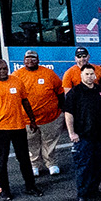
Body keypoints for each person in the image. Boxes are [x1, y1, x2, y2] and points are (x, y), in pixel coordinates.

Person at [0, 58, 38, 198]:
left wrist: (32, 120)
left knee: (24, 158)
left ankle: (30, 186)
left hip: (18, 126)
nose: (2, 71)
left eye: (4, 68)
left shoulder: (17, 82)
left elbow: (25, 101)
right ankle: (5, 190)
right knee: (2, 160)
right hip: (0, 129)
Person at [11, 50, 65, 178]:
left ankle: (51, 163)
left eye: (33, 58)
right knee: (31, 143)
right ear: (23, 60)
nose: (30, 60)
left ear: (38, 60)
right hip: (27, 120)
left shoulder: (49, 74)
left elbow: (60, 92)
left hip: (50, 118)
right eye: (27, 58)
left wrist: (62, 109)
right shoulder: (16, 76)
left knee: (49, 142)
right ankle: (34, 165)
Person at [63, 64, 101, 201]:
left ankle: (94, 190)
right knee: (84, 167)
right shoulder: (75, 93)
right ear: (81, 76)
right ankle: (83, 195)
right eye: (87, 74)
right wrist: (72, 133)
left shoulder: (100, 91)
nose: (90, 77)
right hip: (83, 136)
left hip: (100, 135)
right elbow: (68, 114)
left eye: (92, 74)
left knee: (99, 165)